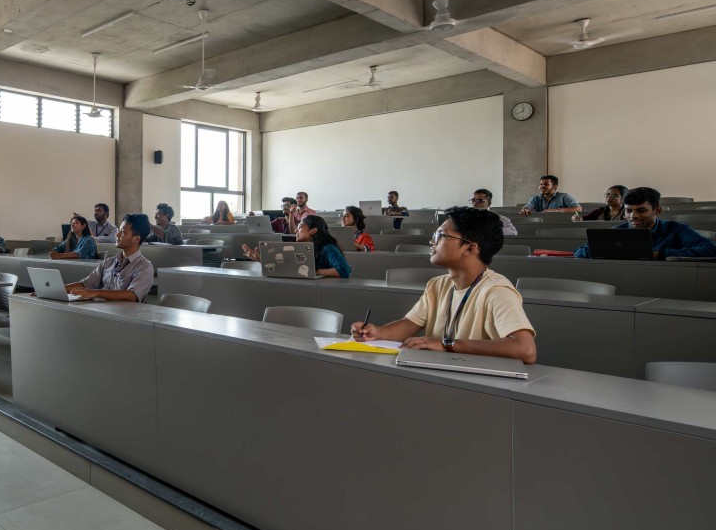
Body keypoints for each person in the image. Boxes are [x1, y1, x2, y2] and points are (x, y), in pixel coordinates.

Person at [351, 206, 537, 364]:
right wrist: (377, 332)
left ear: (470, 248)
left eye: (441, 236)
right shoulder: (438, 285)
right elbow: (409, 324)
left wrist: (446, 345)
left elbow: (526, 349)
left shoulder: (496, 291)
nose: (432, 241)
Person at [573, 187, 716, 259]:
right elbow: (579, 253)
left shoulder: (675, 229)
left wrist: (661, 254)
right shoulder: (617, 231)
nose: (633, 216)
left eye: (641, 210)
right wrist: (608, 250)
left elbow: (710, 249)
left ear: (657, 210)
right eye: (628, 211)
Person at [65, 214, 156, 301]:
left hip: (125, 314)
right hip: (104, 310)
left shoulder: (144, 266)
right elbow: (86, 283)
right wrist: (59, 288)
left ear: (136, 239)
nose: (117, 235)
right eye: (119, 231)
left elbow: (132, 295)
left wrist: (96, 293)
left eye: (123, 232)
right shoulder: (109, 261)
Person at [241, 215, 352, 278]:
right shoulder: (298, 248)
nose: (295, 231)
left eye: (300, 227)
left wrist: (315, 271)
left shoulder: (328, 248)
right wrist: (259, 259)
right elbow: (286, 267)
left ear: (313, 230)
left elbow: (344, 270)